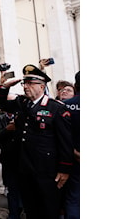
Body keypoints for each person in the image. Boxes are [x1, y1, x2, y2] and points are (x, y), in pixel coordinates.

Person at [0, 64, 73, 219]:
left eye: (30, 83)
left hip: (47, 172)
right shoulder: (22, 103)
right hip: (25, 169)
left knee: (49, 211)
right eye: (25, 83)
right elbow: (0, 104)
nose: (26, 87)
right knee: (31, 210)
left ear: (42, 86)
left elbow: (65, 142)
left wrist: (65, 169)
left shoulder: (55, 108)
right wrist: (4, 86)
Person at [0, 93, 23, 219]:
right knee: (11, 190)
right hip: (8, 160)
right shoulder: (0, 120)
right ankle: (14, 214)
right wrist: (6, 130)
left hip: (23, 160)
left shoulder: (23, 116)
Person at [63, 71, 80, 219]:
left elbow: (62, 134)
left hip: (74, 157)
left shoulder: (66, 105)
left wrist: (75, 152)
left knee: (73, 198)